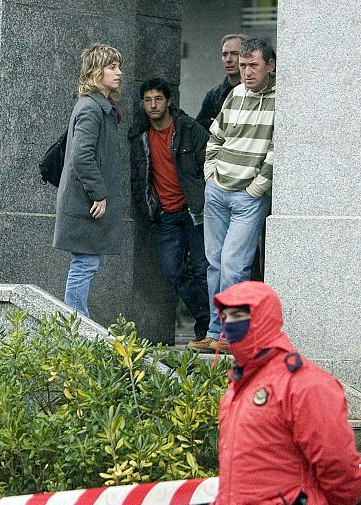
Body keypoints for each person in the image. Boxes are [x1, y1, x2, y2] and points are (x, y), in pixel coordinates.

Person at [209, 280, 361, 505]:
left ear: (262, 317)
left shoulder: (302, 382)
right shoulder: (241, 387)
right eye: (225, 316)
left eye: (239, 315)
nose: (229, 323)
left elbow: (338, 463)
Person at [200, 37, 276, 353]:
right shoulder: (235, 94)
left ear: (270, 66)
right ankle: (215, 332)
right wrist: (210, 174)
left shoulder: (281, 99)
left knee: (234, 266)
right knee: (215, 265)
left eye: (253, 65)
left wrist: (257, 187)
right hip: (218, 189)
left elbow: (277, 148)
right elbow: (215, 137)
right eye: (243, 66)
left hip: (248, 196)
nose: (246, 72)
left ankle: (235, 337)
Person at [128, 78, 210, 344]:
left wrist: (205, 199)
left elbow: (210, 162)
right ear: (142, 104)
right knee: (172, 270)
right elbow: (138, 178)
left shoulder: (188, 128)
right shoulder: (139, 136)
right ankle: (206, 318)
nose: (153, 105)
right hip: (166, 215)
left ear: (169, 101)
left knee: (202, 269)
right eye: (148, 100)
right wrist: (148, 208)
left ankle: (209, 330)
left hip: (195, 211)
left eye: (158, 99)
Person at [53, 43, 123, 318]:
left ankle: (76, 323)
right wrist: (99, 193)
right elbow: (81, 157)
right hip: (86, 203)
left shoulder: (99, 107)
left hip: (87, 202)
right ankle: (75, 327)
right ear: (96, 72)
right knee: (85, 264)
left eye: (119, 67)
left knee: (90, 262)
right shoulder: (91, 109)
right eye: (112, 67)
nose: (119, 72)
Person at [194, 34, 247, 131]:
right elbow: (199, 128)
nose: (228, 60)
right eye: (224, 54)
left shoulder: (255, 91)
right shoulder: (213, 95)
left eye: (235, 54)